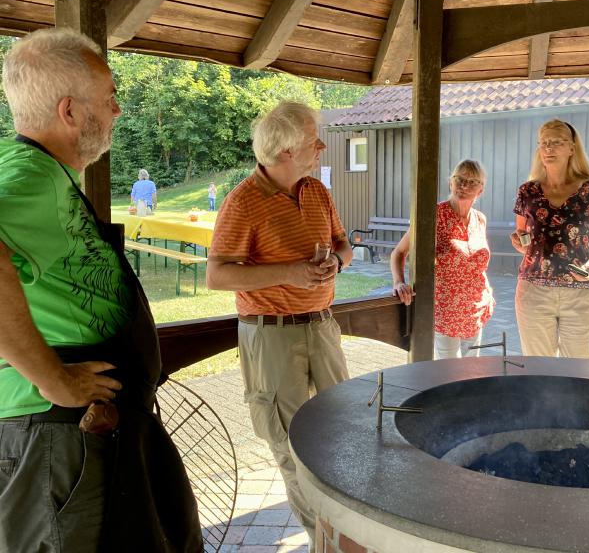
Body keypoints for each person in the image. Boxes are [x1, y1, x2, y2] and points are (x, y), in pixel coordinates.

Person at [0, 28, 200, 551]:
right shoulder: (30, 176)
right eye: (109, 97)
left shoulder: (44, 173)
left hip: (73, 433)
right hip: (54, 435)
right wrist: (54, 379)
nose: (117, 110)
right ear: (69, 111)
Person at [206, 101, 352, 546]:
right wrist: (290, 273)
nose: (321, 146)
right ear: (286, 151)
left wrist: (336, 264)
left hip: (321, 326)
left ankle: (343, 534)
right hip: (270, 335)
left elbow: (343, 245)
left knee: (341, 433)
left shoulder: (317, 191)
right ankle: (324, 542)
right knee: (292, 449)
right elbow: (217, 275)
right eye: (313, 140)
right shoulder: (243, 201)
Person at [510, 119, 589, 358]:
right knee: (538, 368)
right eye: (543, 143)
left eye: (556, 142)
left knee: (580, 368)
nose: (549, 148)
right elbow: (522, 236)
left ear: (572, 148)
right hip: (533, 291)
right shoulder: (527, 191)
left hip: (579, 292)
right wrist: (520, 241)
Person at [390, 160, 495, 359]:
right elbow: (399, 253)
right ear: (450, 182)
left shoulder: (480, 219)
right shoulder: (433, 216)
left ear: (480, 190)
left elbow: (476, 262)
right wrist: (398, 282)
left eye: (472, 182)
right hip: (444, 312)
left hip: (475, 310)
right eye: (460, 179)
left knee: (472, 371)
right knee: (449, 372)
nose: (464, 186)